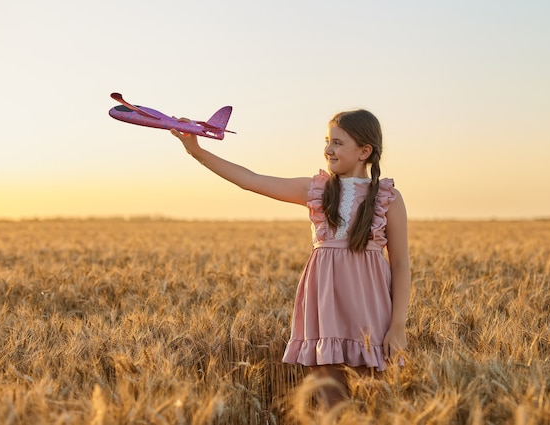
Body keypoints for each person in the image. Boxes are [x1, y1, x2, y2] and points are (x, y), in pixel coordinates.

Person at [170, 109, 411, 409]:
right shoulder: (316, 190)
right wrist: (196, 151)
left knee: (373, 405)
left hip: (371, 314)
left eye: (337, 143)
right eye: (327, 141)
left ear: (365, 151)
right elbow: (250, 180)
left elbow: (401, 264)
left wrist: (397, 324)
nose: (328, 149)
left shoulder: (388, 197)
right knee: (332, 406)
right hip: (325, 315)